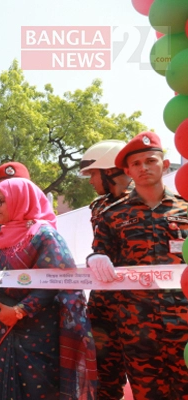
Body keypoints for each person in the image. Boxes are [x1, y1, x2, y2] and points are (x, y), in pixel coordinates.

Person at [90, 131, 188, 398]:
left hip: (183, 323)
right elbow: (99, 253)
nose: (143, 168)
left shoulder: (186, 209)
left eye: (150, 160)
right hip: (137, 327)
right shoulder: (112, 216)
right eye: (136, 164)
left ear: (165, 165)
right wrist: (96, 258)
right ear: (128, 171)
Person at [0, 177, 96, 399]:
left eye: (1, 202)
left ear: (20, 201)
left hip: (37, 332)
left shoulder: (43, 235)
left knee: (37, 391)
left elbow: (57, 279)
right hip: (0, 328)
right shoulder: (0, 236)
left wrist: (19, 311)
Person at [79, 140, 131, 399]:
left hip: (142, 308)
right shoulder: (100, 207)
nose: (90, 181)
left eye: (93, 174)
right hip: (104, 307)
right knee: (103, 382)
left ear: (109, 170)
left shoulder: (151, 205)